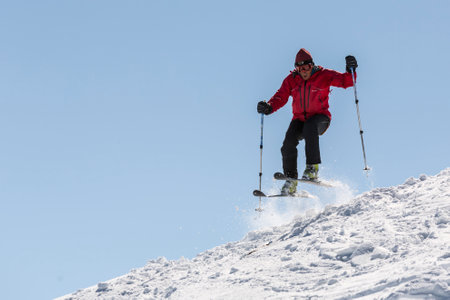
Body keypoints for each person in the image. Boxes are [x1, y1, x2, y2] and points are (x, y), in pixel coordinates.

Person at [257, 48, 358, 195]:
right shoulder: (291, 80)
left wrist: (351, 70)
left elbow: (346, 81)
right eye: (300, 69)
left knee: (310, 127)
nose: (304, 71)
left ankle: (312, 168)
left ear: (312, 65)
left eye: (307, 68)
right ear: (296, 69)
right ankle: (291, 180)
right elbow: (281, 96)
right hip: (299, 119)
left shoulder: (324, 75)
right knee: (287, 144)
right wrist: (269, 107)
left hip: (320, 118)